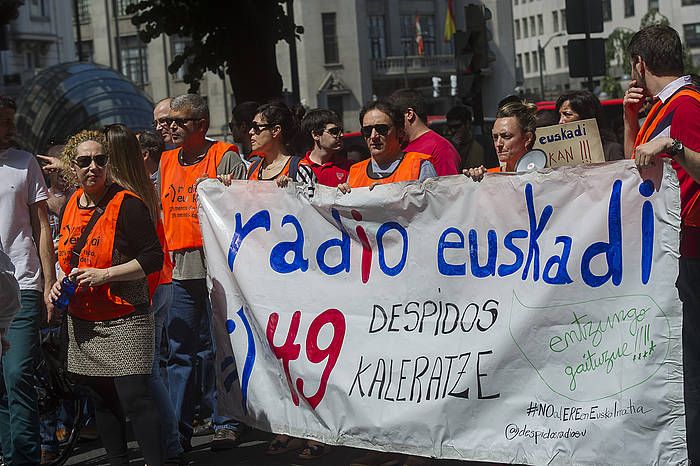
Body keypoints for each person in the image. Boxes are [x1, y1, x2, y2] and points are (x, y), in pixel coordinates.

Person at [50, 130, 164, 466]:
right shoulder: (72, 203)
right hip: (83, 316)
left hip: (125, 314)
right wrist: (59, 279)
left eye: (100, 160)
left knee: (136, 398)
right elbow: (67, 255)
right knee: (101, 399)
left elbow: (153, 258)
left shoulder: (127, 204)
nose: (93, 167)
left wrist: (106, 275)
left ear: (108, 164)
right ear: (74, 167)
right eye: (84, 161)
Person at [622, 24, 700, 462]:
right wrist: (631, 122)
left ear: (640, 64)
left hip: (692, 245)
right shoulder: (667, 105)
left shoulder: (685, 107)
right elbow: (636, 163)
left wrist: (671, 146)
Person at [158, 94, 247, 452]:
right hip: (178, 269)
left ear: (201, 125)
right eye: (170, 121)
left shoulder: (223, 156)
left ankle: (225, 420)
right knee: (179, 351)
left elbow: (245, 205)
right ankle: (176, 432)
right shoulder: (166, 161)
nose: (172, 127)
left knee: (219, 346)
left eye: (180, 121)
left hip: (216, 266)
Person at [107, 124, 182, 464]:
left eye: (102, 156)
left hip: (148, 288)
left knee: (148, 376)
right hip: (160, 283)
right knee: (150, 374)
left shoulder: (128, 193)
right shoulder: (142, 186)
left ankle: (170, 447)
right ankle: (170, 445)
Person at [0, 95, 56, 466]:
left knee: (18, 373)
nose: (8, 129)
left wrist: (48, 285)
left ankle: (24, 458)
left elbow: (41, 226)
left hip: (21, 285)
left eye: (9, 121)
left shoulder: (24, 163)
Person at [338, 100, 436, 191]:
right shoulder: (355, 172)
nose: (373, 136)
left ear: (400, 132)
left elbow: (433, 206)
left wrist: (389, 197)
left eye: (381, 129)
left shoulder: (419, 166)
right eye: (367, 130)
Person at [243, 102, 316, 190]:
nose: (251, 132)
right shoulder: (252, 169)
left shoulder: (299, 169)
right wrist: (227, 185)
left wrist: (293, 189)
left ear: (275, 130)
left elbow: (310, 202)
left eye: (256, 127)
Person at [389, 88, 460, 176]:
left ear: (410, 114)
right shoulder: (399, 146)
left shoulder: (441, 149)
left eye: (395, 118)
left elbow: (449, 187)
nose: (392, 123)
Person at [555, 89, 624, 162]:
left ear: (586, 118)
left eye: (568, 114)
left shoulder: (611, 151)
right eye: (560, 116)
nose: (560, 122)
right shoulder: (559, 154)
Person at [300, 108, 350, 187]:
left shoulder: (349, 167)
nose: (341, 135)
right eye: (334, 131)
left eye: (341, 130)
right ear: (316, 135)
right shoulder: (299, 168)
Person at [444, 106, 486, 170]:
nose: (453, 130)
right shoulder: (447, 145)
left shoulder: (480, 144)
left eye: (457, 126)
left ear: (467, 123)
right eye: (450, 127)